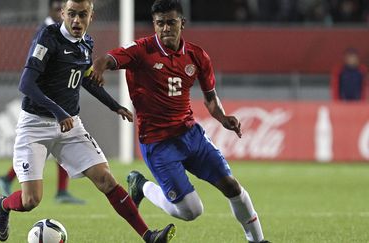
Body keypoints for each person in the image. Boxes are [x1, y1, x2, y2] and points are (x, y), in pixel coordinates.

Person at [0, 0, 176, 242]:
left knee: (106, 179)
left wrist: (115, 106)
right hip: (35, 125)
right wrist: (59, 112)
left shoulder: (87, 43)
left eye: (82, 15)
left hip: (70, 127)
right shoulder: (47, 37)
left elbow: (86, 79)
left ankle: (148, 235)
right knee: (30, 201)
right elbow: (26, 84)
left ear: (92, 16)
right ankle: (3, 205)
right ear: (62, 14)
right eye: (71, 15)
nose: (77, 21)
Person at [90, 0, 269, 242]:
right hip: (158, 144)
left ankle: (257, 240)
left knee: (231, 186)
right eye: (160, 23)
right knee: (192, 211)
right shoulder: (141, 50)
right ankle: (141, 185)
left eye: (171, 22)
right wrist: (99, 66)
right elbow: (109, 59)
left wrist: (223, 117)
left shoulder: (197, 56)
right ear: (154, 25)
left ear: (182, 23)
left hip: (190, 135)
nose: (165, 28)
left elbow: (210, 99)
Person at [0, 0, 85, 205]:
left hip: (60, 97)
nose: (68, 16)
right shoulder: (45, 31)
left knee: (60, 138)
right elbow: (34, 67)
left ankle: (60, 190)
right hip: (42, 96)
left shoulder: (68, 34)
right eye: (60, 9)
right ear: (56, 10)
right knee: (44, 144)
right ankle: (8, 180)